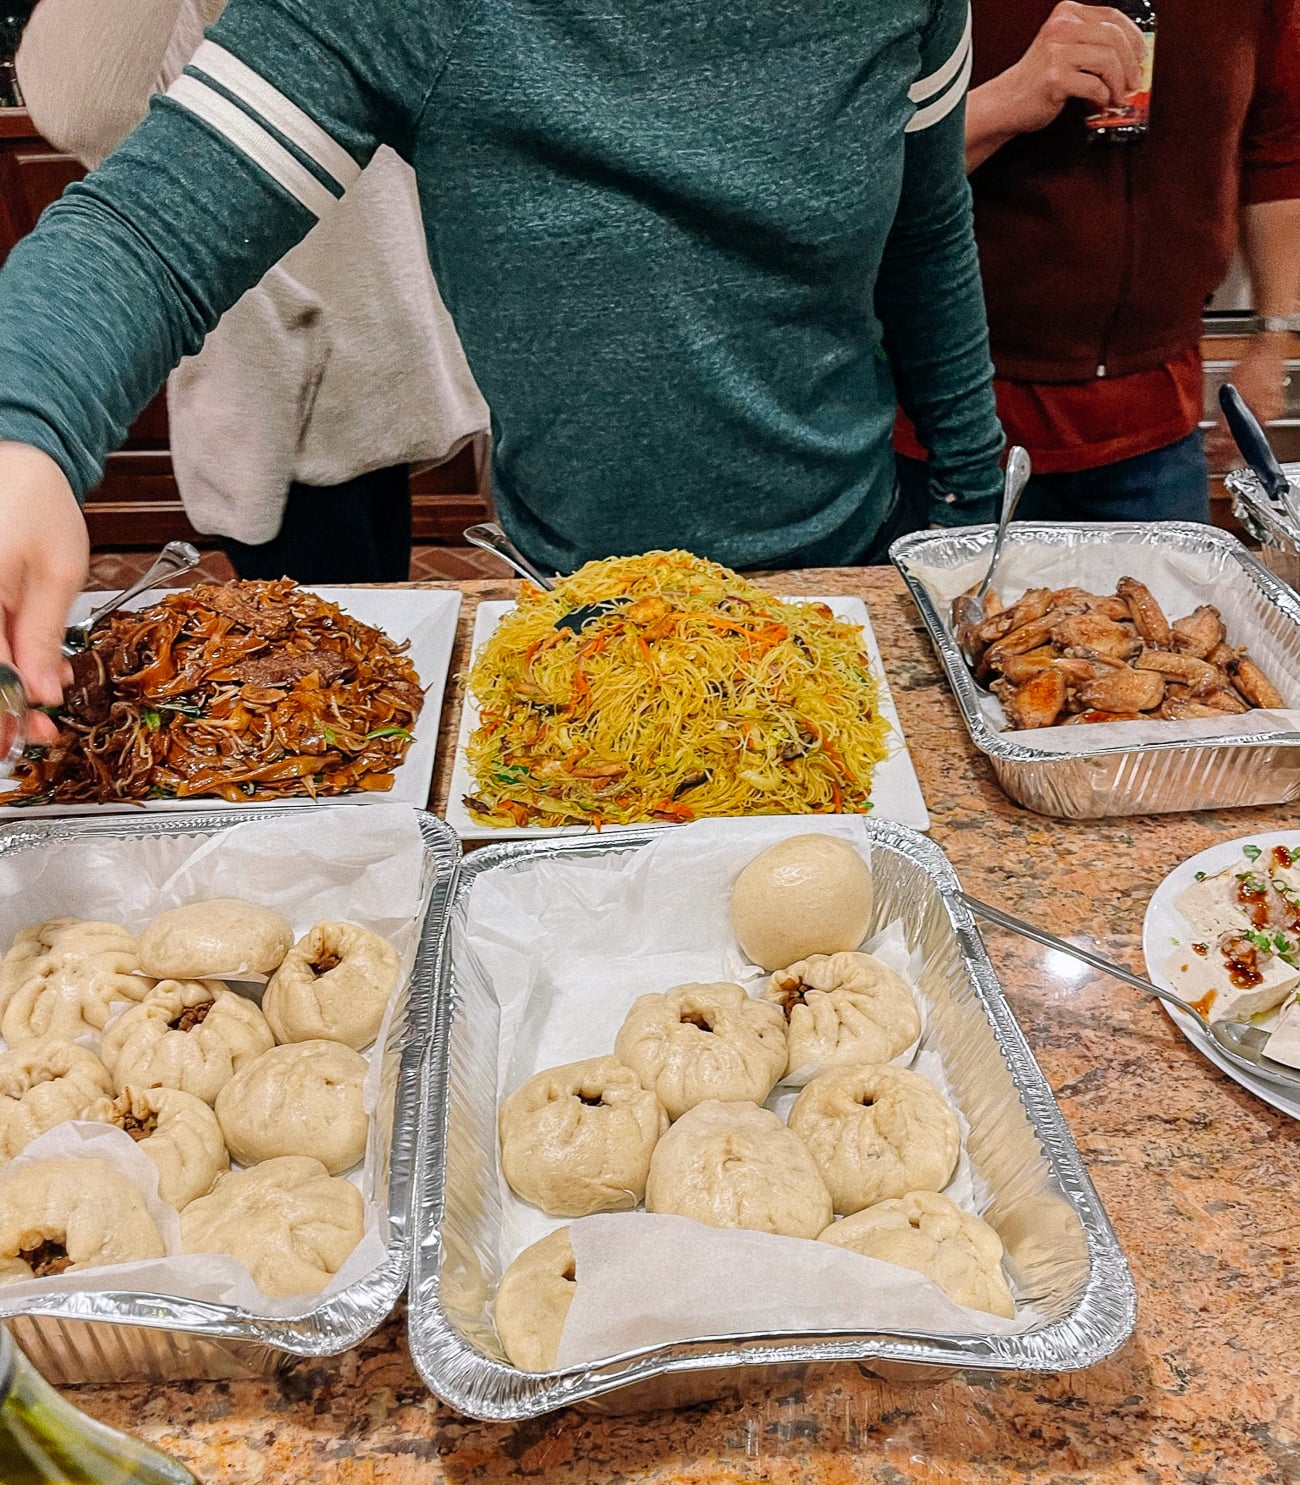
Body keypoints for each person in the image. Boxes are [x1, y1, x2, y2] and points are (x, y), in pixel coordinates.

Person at [0, 0, 1007, 729]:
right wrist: (21, 426)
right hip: (574, 602)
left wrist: (966, 504)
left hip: (845, 573)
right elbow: (149, 228)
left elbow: (925, 236)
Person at [16, 0, 488, 584]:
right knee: (312, 642)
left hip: (382, 372)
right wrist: (23, 427)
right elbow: (78, 111)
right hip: (277, 401)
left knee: (379, 605)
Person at [895, 0, 1300, 524]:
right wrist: (1011, 98)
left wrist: (1273, 337)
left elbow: (1277, 149)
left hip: (1158, 437)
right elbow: (851, 184)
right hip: (953, 430)